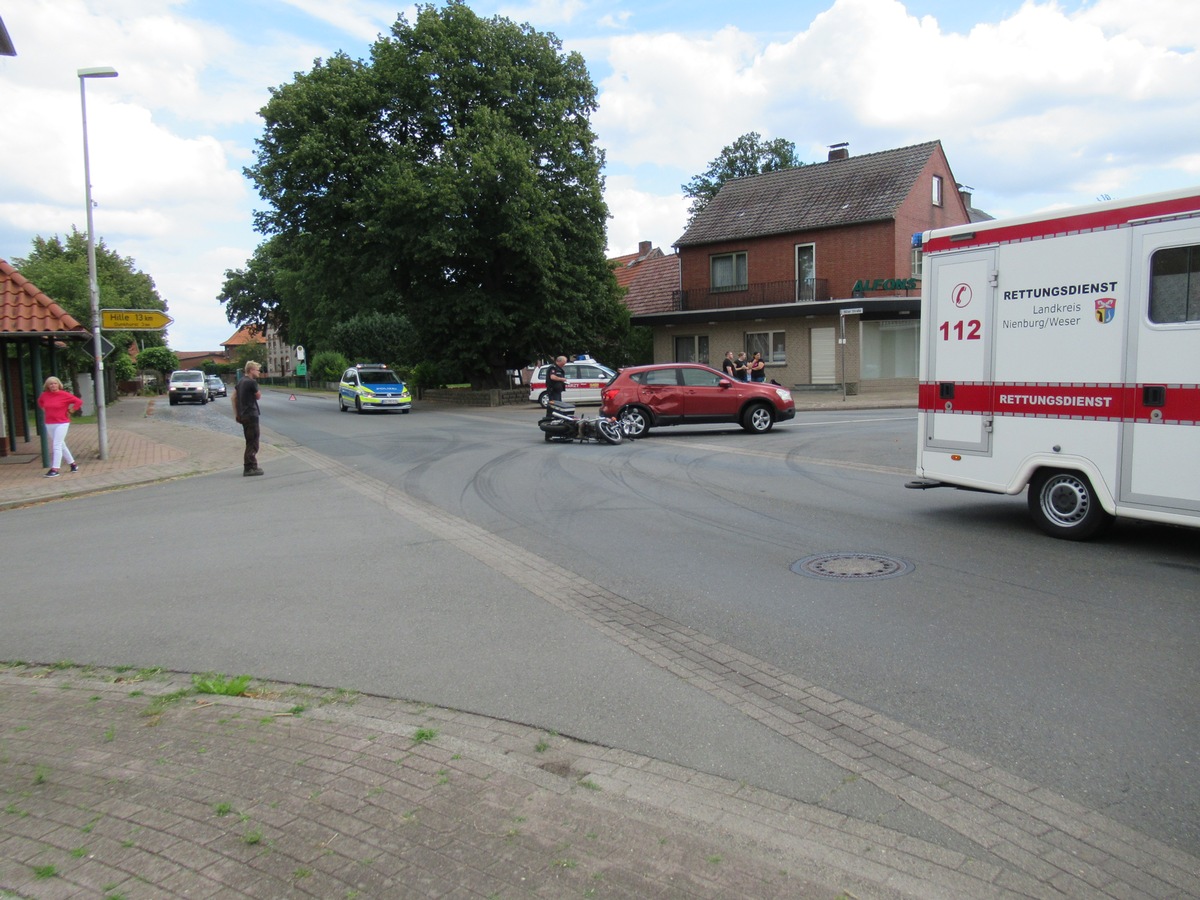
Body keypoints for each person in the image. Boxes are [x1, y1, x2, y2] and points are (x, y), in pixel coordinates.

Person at [36, 376, 83, 477]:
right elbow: (40, 402)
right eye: (50, 384)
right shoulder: (44, 395)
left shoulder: (64, 394)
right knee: (61, 444)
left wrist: (72, 410)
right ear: (47, 386)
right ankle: (73, 464)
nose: (53, 385)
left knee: (56, 445)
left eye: (55, 383)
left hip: (62, 422)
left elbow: (78, 401)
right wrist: (44, 409)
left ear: (58, 384)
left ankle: (55, 468)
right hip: (49, 423)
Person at [233, 360, 264, 476]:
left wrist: (237, 413)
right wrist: (257, 387)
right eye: (257, 370)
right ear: (251, 370)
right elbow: (258, 396)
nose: (259, 372)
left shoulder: (240, 381)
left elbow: (234, 398)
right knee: (253, 441)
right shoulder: (251, 382)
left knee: (249, 440)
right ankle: (250, 467)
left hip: (243, 414)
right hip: (251, 414)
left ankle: (250, 465)